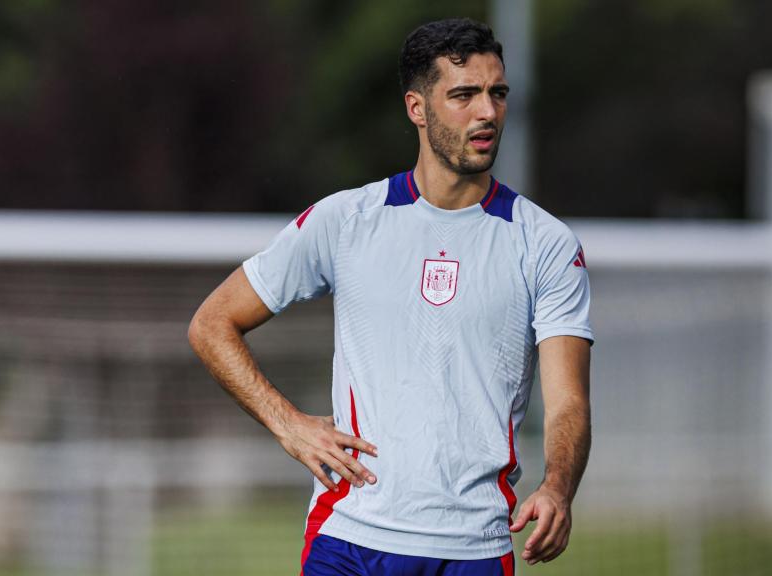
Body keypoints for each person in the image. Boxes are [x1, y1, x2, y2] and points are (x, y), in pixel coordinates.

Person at [188, 17, 593, 575]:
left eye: (497, 93)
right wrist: (289, 424)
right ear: (417, 108)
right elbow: (212, 324)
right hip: (349, 539)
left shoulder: (545, 243)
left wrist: (557, 487)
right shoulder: (346, 220)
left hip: (472, 547)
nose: (487, 112)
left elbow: (568, 401)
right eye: (464, 95)